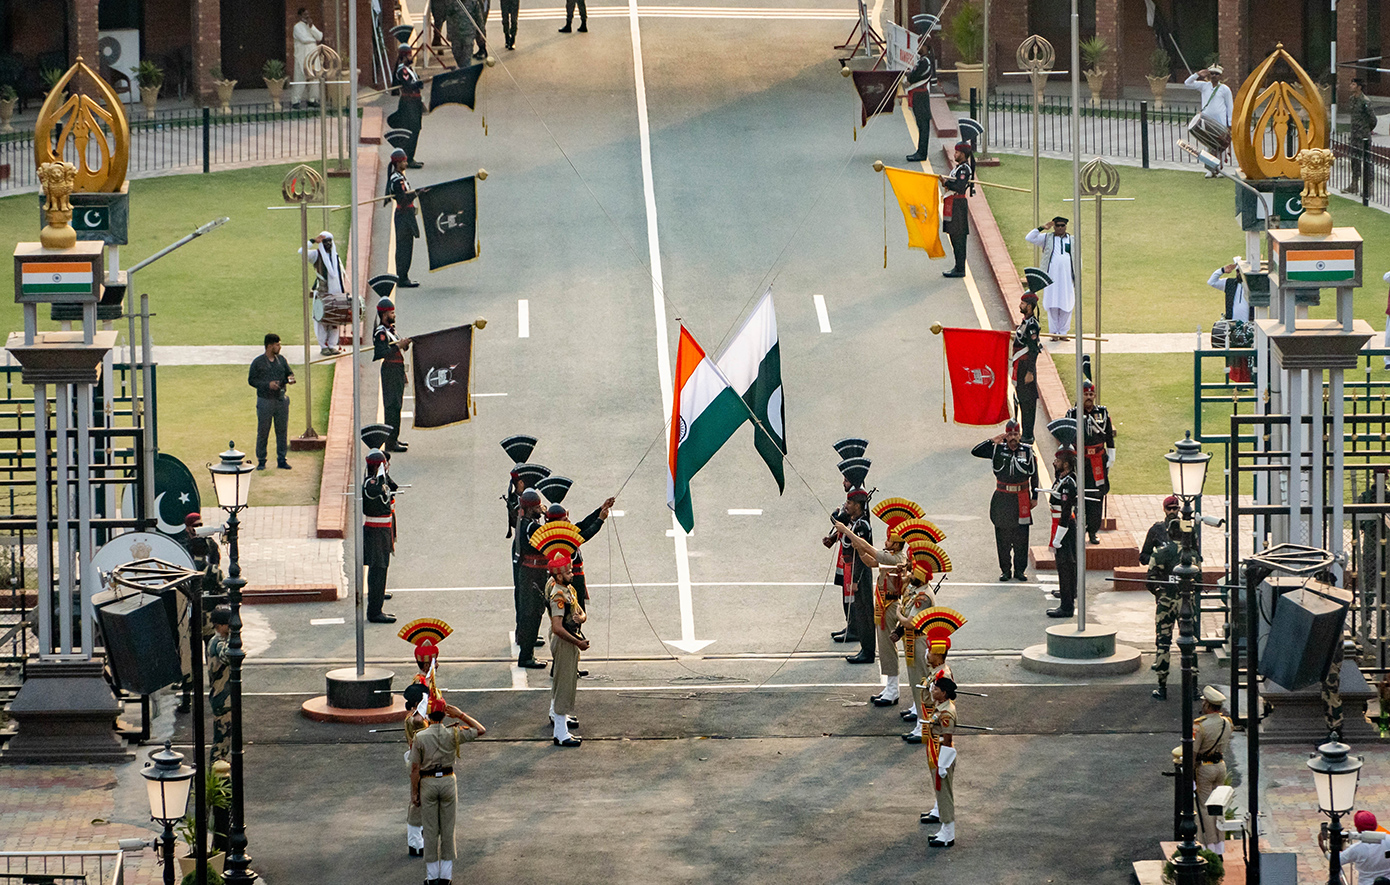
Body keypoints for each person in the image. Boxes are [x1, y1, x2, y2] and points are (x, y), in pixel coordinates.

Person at [834, 516, 910, 706]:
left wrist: (847, 531)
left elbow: (870, 550)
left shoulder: (896, 557)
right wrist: (857, 546)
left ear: (897, 543)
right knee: (884, 648)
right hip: (883, 604)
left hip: (890, 607)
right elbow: (868, 561)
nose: (886, 542)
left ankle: (893, 690)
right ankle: (890, 687)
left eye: (889, 540)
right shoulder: (892, 557)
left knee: (887, 648)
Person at [410, 696, 485, 885]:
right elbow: (480, 730)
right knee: (447, 830)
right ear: (444, 714)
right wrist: (461, 715)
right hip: (447, 781)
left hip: (427, 782)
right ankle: (446, 877)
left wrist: (414, 793)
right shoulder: (453, 734)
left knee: (430, 830)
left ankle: (432, 876)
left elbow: (415, 769)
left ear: (429, 714)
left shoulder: (420, 737)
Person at [971, 421, 1038, 583]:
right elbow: (976, 451)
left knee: (1021, 537)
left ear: (1020, 435)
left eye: (1016, 434)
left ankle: (1020, 570)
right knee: (1003, 537)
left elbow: (1035, 476)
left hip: (1021, 497)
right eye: (1010, 434)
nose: (1013, 438)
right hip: (1002, 498)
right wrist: (993, 441)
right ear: (1005, 435)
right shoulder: (997, 450)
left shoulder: (1027, 451)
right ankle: (1005, 570)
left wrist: (1034, 497)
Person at [1140, 497, 1185, 700]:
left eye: (1176, 508)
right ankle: (1165, 676)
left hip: (1173, 597)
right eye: (1170, 508)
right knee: (1165, 640)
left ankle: (1172, 684)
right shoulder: (1156, 530)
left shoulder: (1188, 534)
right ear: (1164, 509)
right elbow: (1144, 557)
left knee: (1177, 641)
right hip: (1169, 596)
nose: (1174, 510)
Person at [1065, 380, 1116, 544]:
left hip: (1097, 461)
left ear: (1094, 396)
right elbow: (1066, 437)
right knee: (1079, 496)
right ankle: (1080, 529)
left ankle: (1093, 531)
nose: (1088, 397)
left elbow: (1108, 435)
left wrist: (1111, 454)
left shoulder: (1102, 413)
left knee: (1097, 495)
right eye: (1085, 394)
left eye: (1091, 394)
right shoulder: (1072, 414)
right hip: (1080, 460)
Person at [546, 552, 587, 746]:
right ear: (559, 576)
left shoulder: (565, 588)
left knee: (563, 680)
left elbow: (579, 611)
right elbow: (557, 627)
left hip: (568, 640)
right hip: (565, 643)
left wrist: (582, 618)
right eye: (568, 571)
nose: (572, 574)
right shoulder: (558, 595)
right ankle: (560, 734)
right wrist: (578, 642)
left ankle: (558, 715)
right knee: (564, 684)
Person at [895, 566, 938, 743]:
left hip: (919, 641)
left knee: (921, 685)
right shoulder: (917, 590)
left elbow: (910, 622)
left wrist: (897, 613)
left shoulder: (923, 597)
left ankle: (924, 726)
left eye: (913, 573)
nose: (911, 575)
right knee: (916, 683)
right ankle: (921, 722)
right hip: (913, 641)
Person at [1192, 686, 1232, 853]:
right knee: (1218, 806)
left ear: (1208, 705)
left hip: (1205, 768)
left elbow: (1193, 752)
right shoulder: (1227, 723)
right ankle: (1221, 844)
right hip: (1220, 766)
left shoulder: (1200, 726)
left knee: (1205, 807)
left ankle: (1210, 845)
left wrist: (1190, 773)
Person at [513, 489, 550, 669]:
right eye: (537, 506)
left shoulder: (524, 522)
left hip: (528, 573)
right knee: (533, 613)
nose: (540, 508)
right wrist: (549, 516)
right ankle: (526, 655)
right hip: (533, 574)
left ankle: (528, 644)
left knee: (531, 612)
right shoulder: (532, 527)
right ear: (530, 509)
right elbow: (548, 534)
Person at [247, 332, 295, 471]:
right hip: (265, 400)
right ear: (269, 346)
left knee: (282, 431)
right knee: (263, 431)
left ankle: (282, 459)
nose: (279, 347)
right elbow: (252, 380)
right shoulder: (259, 362)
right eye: (277, 345)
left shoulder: (281, 360)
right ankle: (261, 460)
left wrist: (290, 378)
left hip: (280, 399)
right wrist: (267, 385)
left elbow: (288, 373)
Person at [1024, 217, 1076, 338]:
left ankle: (1063, 332)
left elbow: (1077, 258)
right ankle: (1053, 333)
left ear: (1066, 226)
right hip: (1051, 277)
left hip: (1067, 278)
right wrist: (1042, 228)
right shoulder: (1046, 238)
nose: (1060, 228)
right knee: (1052, 303)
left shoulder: (1072, 239)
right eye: (1057, 225)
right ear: (1054, 226)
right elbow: (1029, 237)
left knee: (1067, 304)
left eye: (1062, 225)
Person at [1012, 272, 1048, 444]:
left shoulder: (1032, 326)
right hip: (1020, 366)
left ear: (1030, 306)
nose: (1020, 305)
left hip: (1026, 367)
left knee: (1028, 403)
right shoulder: (1025, 322)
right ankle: (1025, 431)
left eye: (1023, 303)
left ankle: (1028, 434)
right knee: (1021, 398)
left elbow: (1033, 350)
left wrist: (1030, 372)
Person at [363, 449, 399, 624]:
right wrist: (381, 472)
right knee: (378, 568)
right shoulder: (371, 484)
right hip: (376, 532)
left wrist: (385, 471)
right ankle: (375, 611)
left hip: (383, 531)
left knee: (381, 567)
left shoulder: (379, 480)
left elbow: (393, 487)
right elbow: (378, 490)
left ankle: (377, 594)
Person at [841, 487, 876, 664]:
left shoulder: (862, 526)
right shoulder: (854, 521)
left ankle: (868, 651)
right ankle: (865, 647)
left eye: (849, 503)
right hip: (854, 571)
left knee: (865, 613)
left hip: (860, 573)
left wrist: (855, 580)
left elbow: (863, 557)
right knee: (860, 611)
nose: (846, 505)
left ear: (858, 505)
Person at [373, 297, 412, 454]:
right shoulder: (381, 333)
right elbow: (381, 352)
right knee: (391, 406)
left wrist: (404, 345)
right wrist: (398, 347)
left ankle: (394, 437)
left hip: (397, 370)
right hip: (390, 370)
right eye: (391, 312)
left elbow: (396, 348)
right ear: (384, 315)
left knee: (397, 405)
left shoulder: (391, 330)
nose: (394, 315)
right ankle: (390, 442)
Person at [923, 675, 958, 847]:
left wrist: (943, 763)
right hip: (935, 751)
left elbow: (947, 739)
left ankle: (948, 834)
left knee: (945, 793)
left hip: (942, 754)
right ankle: (944, 829)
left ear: (944, 693)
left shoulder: (946, 713)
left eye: (936, 689)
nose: (933, 690)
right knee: (940, 791)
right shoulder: (941, 706)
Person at [301, 230, 347, 355]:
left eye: (330, 241)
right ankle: (323, 346)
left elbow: (340, 276)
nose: (328, 244)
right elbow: (302, 252)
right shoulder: (316, 255)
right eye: (325, 241)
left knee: (334, 322)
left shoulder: (335, 257)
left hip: (336, 294)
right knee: (321, 321)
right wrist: (312, 241)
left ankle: (332, 345)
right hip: (322, 293)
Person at [1046, 444, 1079, 618]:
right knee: (1067, 564)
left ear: (1066, 464)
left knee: (1065, 565)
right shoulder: (1064, 478)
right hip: (1062, 524)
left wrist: (1058, 536)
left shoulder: (1068, 484)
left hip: (1064, 526)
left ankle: (1066, 606)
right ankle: (1068, 592)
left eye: (1058, 460)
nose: (1055, 462)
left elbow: (1066, 511)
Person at [385, 150, 421, 288]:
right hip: (404, 216)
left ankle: (403, 276)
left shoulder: (399, 177)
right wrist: (416, 194)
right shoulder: (397, 180)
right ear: (398, 163)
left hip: (406, 215)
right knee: (404, 248)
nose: (406, 163)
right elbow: (402, 198)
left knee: (406, 246)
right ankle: (402, 277)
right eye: (404, 161)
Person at [1322, 810, 1390, 882]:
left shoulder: (1357, 849)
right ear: (1376, 825)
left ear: (1357, 828)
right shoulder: (1388, 838)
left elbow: (1335, 860)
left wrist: (1323, 847)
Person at [402, 681, 428, 857]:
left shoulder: (415, 716)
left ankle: (420, 839)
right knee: (417, 801)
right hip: (419, 762)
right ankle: (415, 844)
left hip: (420, 759)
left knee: (424, 801)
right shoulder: (415, 719)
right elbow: (421, 722)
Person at [940, 141, 974, 278]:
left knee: (959, 237)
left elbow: (959, 186)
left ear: (963, 154)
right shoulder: (958, 168)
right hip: (952, 203)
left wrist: (946, 183)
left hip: (958, 205)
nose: (955, 154)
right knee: (953, 236)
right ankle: (957, 265)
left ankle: (960, 268)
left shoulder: (964, 169)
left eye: (957, 152)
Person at [206, 606, 232, 762]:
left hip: (224, 696)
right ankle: (217, 771)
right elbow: (228, 656)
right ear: (221, 626)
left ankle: (220, 769)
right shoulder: (218, 643)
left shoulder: (217, 641)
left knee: (226, 739)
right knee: (221, 741)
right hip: (221, 697)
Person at [392, 45, 425, 169]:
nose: (411, 57)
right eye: (409, 55)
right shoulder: (402, 70)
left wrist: (419, 82)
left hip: (415, 102)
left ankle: (410, 157)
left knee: (416, 129)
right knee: (412, 129)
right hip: (408, 102)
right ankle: (408, 158)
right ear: (404, 56)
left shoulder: (409, 69)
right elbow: (408, 85)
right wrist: (417, 83)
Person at [1346, 78, 1378, 194]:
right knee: (1354, 160)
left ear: (1359, 87)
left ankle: (1369, 187)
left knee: (1367, 161)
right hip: (1354, 135)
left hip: (1363, 136)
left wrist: (1366, 130)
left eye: (1353, 84)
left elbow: (1373, 119)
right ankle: (1354, 184)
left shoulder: (1365, 101)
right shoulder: (1352, 99)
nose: (1351, 86)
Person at [289, 7, 323, 109]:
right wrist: (313, 39)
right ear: (300, 16)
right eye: (304, 15)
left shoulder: (311, 26)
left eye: (308, 14)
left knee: (314, 78)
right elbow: (303, 39)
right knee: (300, 78)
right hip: (302, 57)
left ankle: (312, 99)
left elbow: (320, 37)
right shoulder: (297, 27)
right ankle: (295, 100)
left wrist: (312, 27)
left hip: (313, 56)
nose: (307, 16)